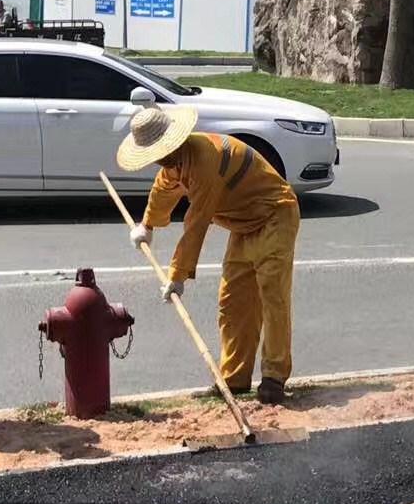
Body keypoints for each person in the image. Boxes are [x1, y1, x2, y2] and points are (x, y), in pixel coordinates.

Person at [117, 104, 300, 405]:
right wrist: (147, 226)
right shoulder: (173, 165)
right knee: (233, 301)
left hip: (274, 214)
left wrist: (177, 276)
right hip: (243, 223)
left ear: (174, 140)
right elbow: (162, 191)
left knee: (272, 295)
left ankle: (274, 378)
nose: (159, 160)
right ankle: (235, 379)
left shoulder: (203, 157)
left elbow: (197, 222)